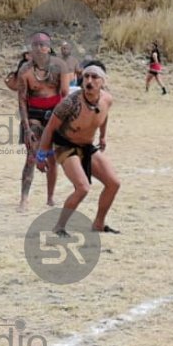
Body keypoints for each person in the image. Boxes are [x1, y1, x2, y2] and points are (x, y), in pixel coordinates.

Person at [35, 60, 121, 235]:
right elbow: (50, 127)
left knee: (113, 183)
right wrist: (41, 155)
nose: (89, 80)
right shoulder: (70, 103)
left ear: (102, 82)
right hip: (66, 145)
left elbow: (104, 115)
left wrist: (103, 135)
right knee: (82, 188)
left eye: (94, 77)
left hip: (87, 145)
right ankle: (59, 227)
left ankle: (98, 223)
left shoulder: (107, 99)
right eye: (86, 76)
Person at [16, 32, 72, 212]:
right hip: (33, 115)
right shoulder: (25, 70)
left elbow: (65, 95)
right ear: (31, 49)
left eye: (43, 44)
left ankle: (50, 197)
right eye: (35, 44)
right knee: (31, 156)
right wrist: (26, 128)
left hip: (55, 114)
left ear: (49, 47)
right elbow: (22, 101)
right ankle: (24, 199)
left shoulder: (59, 66)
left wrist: (62, 121)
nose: (39, 48)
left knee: (52, 158)